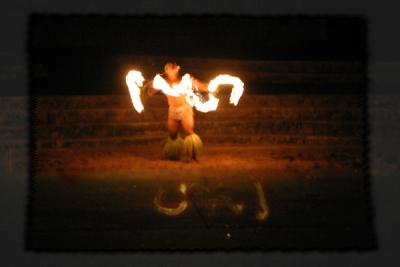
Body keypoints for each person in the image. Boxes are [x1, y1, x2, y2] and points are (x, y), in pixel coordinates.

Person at [142, 62, 209, 161]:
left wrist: (208, 88)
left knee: (189, 132)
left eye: (170, 69)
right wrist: (147, 86)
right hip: (172, 111)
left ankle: (193, 155)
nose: (168, 71)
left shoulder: (185, 81)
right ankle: (174, 155)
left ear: (176, 70)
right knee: (172, 135)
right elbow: (151, 92)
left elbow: (201, 86)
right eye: (167, 70)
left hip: (185, 109)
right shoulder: (162, 83)